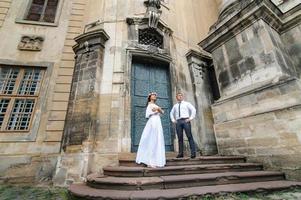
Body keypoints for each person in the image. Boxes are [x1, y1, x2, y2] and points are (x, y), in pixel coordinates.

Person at [136, 92, 166, 168]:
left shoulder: (156, 105)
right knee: (152, 138)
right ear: (149, 97)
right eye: (153, 95)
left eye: (155, 95)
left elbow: (163, 112)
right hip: (152, 121)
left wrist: (159, 109)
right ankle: (149, 160)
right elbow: (148, 115)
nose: (155, 96)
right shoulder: (149, 105)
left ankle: (157, 160)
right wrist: (157, 110)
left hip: (157, 121)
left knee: (157, 139)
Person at [170, 92, 196, 159]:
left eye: (181, 95)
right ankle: (180, 153)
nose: (180, 96)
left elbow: (193, 110)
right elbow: (171, 113)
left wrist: (190, 118)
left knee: (189, 136)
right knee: (180, 138)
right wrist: (173, 120)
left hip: (185, 121)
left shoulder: (187, 103)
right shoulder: (175, 106)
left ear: (182, 96)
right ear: (177, 97)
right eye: (178, 96)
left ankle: (193, 153)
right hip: (178, 122)